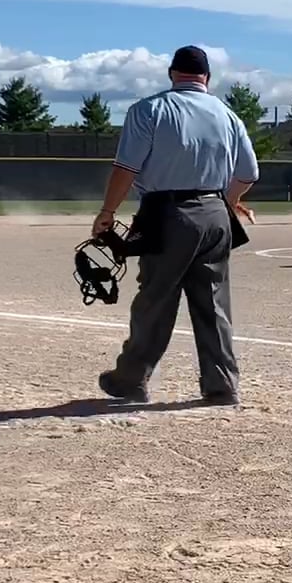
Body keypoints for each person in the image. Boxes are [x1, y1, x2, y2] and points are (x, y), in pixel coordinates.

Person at [92, 45, 258, 406]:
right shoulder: (228, 115)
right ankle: (222, 385)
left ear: (171, 74)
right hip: (216, 213)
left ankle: (131, 379)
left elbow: (126, 168)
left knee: (155, 299)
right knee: (213, 303)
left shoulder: (149, 109)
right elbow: (248, 173)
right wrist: (227, 202)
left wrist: (108, 211)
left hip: (167, 213)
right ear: (207, 78)